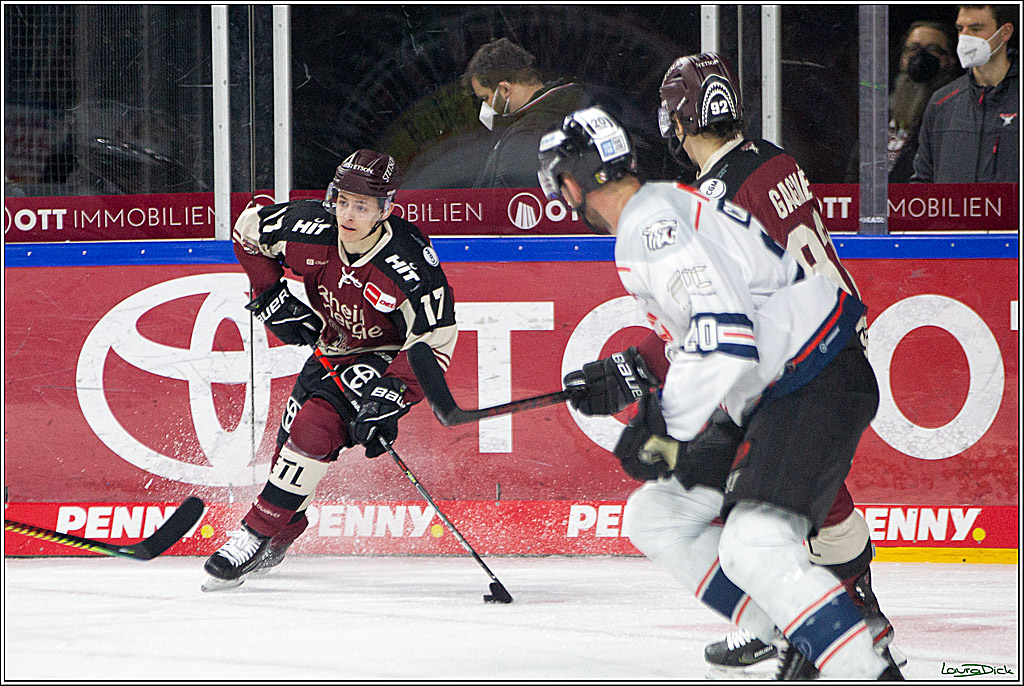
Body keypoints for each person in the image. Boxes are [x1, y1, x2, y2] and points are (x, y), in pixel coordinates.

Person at [541, 106, 901, 680]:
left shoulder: (648, 226)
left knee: (752, 545)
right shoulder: (664, 203)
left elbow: (725, 332)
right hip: (778, 386)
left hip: (813, 380)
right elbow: (722, 324)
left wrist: (667, 425)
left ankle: (864, 666)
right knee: (655, 517)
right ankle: (785, 633)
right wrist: (638, 379)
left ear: (568, 184)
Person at [655, 52, 905, 678]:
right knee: (808, 488)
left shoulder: (712, 197)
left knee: (760, 498)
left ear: (682, 121)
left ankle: (836, 619)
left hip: (797, 356)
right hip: (838, 322)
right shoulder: (773, 157)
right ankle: (814, 615)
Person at [202, 149, 458, 591]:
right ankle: (279, 535)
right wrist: (269, 296)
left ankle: (251, 533)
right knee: (289, 450)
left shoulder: (410, 264)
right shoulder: (311, 227)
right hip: (330, 348)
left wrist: (391, 395)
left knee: (313, 428)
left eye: (363, 205)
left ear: (387, 209)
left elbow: (435, 344)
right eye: (343, 200)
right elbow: (247, 231)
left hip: (384, 355)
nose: (349, 213)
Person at [911, 5, 1018, 182]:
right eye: (961, 29)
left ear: (1005, 32)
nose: (965, 37)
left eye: (976, 29)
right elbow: (923, 180)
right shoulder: (942, 102)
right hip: (956, 209)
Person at [464, 37, 589, 188]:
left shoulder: (523, 136)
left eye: (485, 98)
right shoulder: (575, 109)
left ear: (505, 89)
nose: (485, 106)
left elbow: (500, 203)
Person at [889, 21, 961, 182]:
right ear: (902, 57)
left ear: (949, 59)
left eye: (932, 50)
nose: (920, 56)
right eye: (913, 49)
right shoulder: (883, 107)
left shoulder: (955, 108)